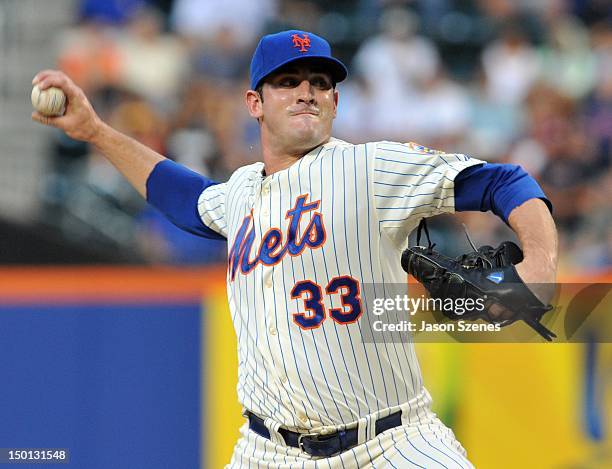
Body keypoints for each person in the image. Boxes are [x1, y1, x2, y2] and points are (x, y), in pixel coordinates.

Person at [32, 29, 558, 467]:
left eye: (320, 83)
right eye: (288, 82)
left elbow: (504, 182)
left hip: (391, 443)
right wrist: (97, 131)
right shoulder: (238, 192)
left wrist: (540, 263)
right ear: (254, 103)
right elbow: (183, 199)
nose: (306, 91)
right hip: (268, 451)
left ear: (335, 101)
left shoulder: (368, 168)